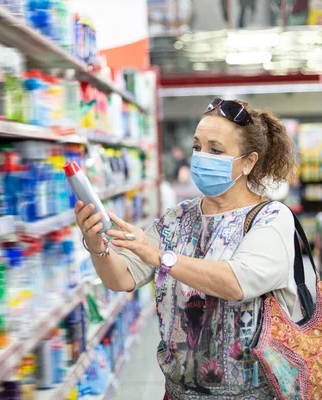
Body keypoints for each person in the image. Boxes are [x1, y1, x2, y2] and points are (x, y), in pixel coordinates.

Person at [75, 98, 298, 399]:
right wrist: (96, 245)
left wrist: (160, 258)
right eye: (197, 147)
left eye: (216, 150)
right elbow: (122, 277)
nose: (202, 157)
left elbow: (236, 282)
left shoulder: (271, 219)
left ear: (248, 161)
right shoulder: (178, 217)